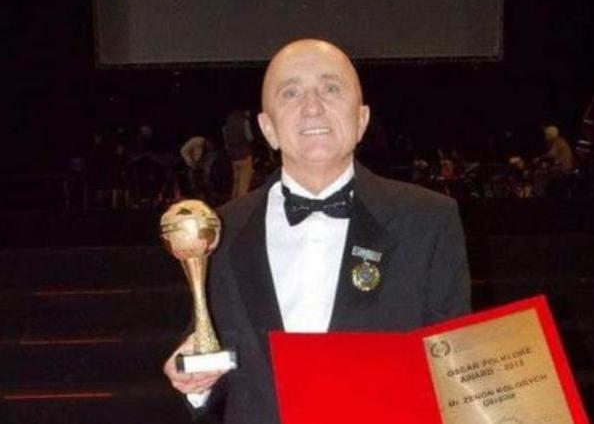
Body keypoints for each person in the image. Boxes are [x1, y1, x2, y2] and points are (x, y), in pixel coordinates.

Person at [163, 39, 470, 423]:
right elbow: (212, 358)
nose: (312, 106)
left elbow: (455, 368)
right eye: (291, 93)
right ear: (268, 128)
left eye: (331, 88)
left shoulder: (428, 220)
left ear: (361, 120)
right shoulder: (220, 231)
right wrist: (196, 381)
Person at [222, 110, 254, 199]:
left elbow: (226, 143)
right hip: (244, 154)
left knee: (236, 182)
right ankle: (241, 203)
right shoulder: (244, 121)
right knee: (244, 183)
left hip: (233, 156)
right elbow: (249, 137)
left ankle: (234, 201)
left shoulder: (227, 124)